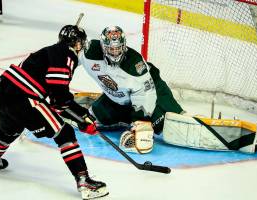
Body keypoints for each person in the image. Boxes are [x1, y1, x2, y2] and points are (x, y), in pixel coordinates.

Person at [0, 24, 109, 200]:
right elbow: (60, 99)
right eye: (81, 43)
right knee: (65, 133)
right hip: (26, 99)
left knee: (8, 131)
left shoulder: (51, 50)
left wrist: (80, 117)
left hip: (6, 96)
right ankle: (84, 181)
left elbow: (55, 102)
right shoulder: (66, 55)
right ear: (77, 43)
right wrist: (82, 118)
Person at [78, 26, 184, 154]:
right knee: (95, 117)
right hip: (120, 98)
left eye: (118, 48)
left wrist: (140, 121)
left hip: (153, 92)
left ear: (124, 46)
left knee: (165, 125)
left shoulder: (135, 65)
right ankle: (126, 117)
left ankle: (178, 116)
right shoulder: (90, 53)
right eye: (111, 49)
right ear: (103, 47)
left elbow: (146, 94)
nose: (115, 52)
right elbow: (72, 55)